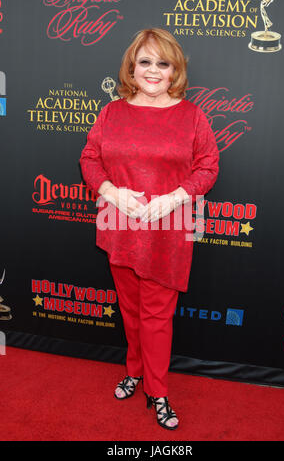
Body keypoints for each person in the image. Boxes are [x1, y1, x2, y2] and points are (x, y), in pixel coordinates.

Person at [79, 28, 219, 430]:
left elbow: (208, 166)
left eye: (163, 63)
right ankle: (134, 371)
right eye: (145, 62)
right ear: (132, 67)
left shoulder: (192, 115)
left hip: (169, 230)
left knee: (157, 316)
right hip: (118, 224)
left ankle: (157, 392)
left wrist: (174, 197)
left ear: (175, 70)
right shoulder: (111, 112)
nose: (153, 70)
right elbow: (90, 158)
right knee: (130, 310)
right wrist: (110, 192)